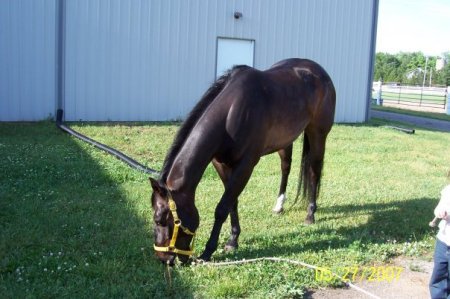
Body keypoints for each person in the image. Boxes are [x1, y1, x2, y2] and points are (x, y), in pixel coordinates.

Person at [430, 172, 450, 299]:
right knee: (439, 275)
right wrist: (440, 212)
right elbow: (438, 208)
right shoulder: (448, 191)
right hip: (443, 240)